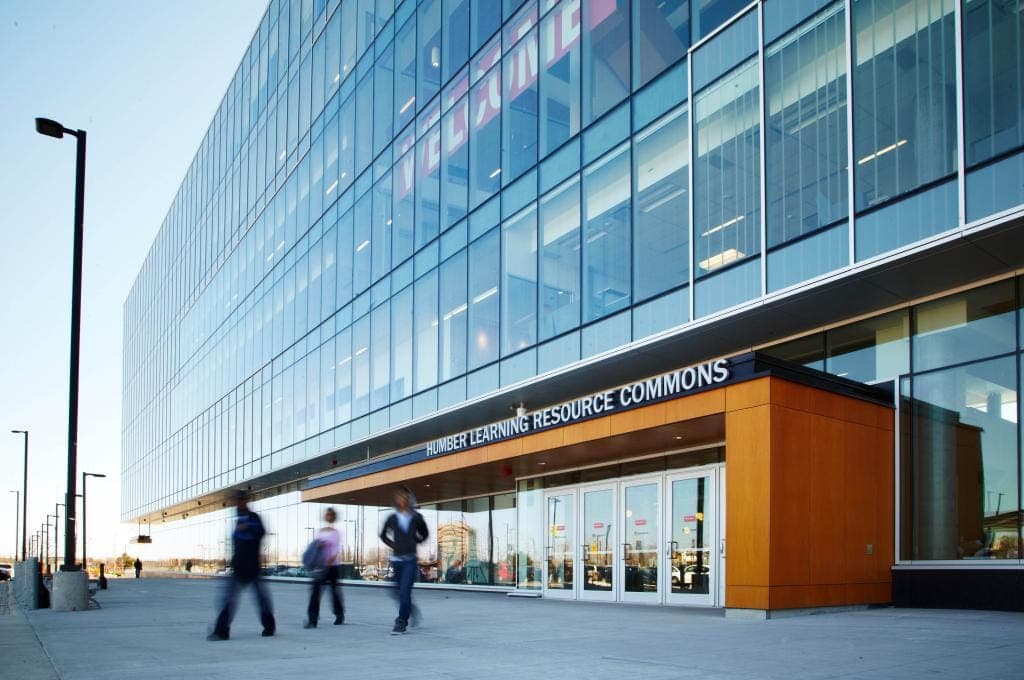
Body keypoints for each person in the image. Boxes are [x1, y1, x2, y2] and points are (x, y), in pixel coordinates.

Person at [207, 491, 276, 641]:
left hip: (252, 566)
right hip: (238, 566)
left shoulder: (253, 518)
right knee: (229, 598)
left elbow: (260, 532)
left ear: (246, 501)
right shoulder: (238, 519)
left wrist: (248, 528)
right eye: (236, 501)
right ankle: (221, 631)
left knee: (261, 599)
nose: (237, 503)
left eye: (240, 500)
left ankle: (269, 626)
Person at [379, 487, 429, 634]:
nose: (402, 499)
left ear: (409, 498)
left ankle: (401, 621)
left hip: (410, 560)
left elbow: (424, 534)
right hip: (396, 560)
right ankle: (411, 609)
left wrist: (415, 540)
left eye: (405, 496)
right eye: (399, 496)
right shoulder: (392, 518)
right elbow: (383, 535)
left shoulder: (417, 517)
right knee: (395, 591)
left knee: (405, 591)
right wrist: (393, 544)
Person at [305, 507, 345, 628]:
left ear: (334, 517)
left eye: (331, 515)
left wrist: (332, 557)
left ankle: (339, 614)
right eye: (327, 515)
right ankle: (312, 619)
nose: (329, 516)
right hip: (321, 566)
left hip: (332, 567)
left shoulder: (336, 533)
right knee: (315, 592)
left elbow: (336, 548)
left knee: (334, 592)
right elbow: (315, 547)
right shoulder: (320, 532)